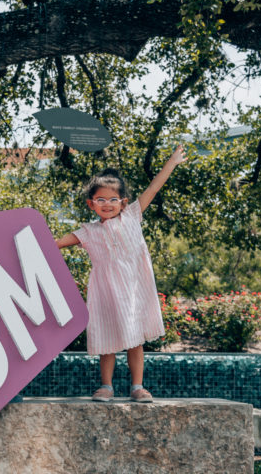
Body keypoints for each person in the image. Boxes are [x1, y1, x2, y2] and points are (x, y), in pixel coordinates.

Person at [55, 144, 185, 403]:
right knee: (107, 339)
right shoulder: (88, 232)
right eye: (100, 200)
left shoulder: (132, 216)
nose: (107, 204)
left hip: (135, 289)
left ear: (123, 202)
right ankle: (106, 386)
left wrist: (172, 162)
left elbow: (153, 188)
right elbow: (53, 243)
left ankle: (138, 386)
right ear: (91, 204)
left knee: (135, 340)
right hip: (106, 292)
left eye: (113, 199)